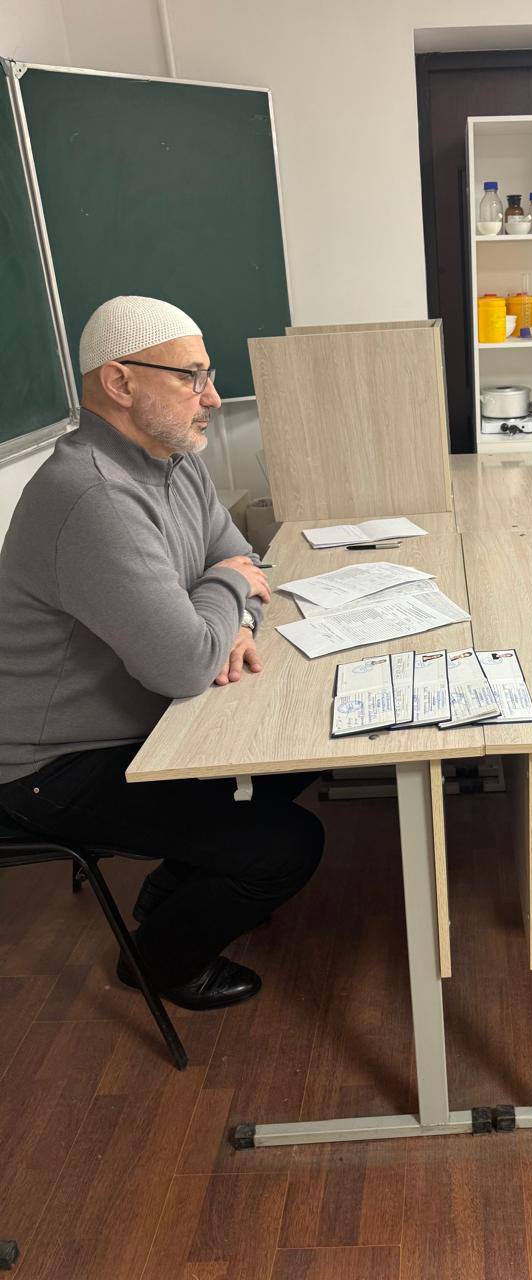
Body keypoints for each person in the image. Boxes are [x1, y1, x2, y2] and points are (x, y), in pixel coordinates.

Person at [0, 296, 324, 1010]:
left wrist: (232, 621)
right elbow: (186, 658)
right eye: (190, 377)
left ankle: (173, 887)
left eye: (208, 376)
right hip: (53, 767)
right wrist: (224, 596)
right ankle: (156, 964)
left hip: (143, 715)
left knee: (300, 752)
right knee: (287, 847)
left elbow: (242, 560)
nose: (212, 398)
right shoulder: (94, 496)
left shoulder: (173, 459)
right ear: (119, 383)